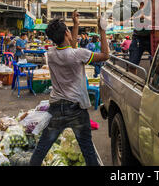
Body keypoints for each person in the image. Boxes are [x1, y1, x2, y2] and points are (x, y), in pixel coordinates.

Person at [30, 10, 109, 166]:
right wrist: (102, 30)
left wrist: (75, 24)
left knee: (41, 149)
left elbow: (69, 48)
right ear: (66, 33)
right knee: (87, 150)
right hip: (76, 109)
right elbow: (105, 55)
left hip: (56, 108)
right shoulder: (79, 54)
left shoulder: (51, 53)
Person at [129, 0, 153, 66]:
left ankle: (151, 79)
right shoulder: (133, 4)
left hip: (151, 37)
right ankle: (133, 79)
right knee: (132, 64)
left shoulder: (153, 3)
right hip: (137, 37)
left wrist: (144, 16)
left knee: (155, 64)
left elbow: (155, 19)